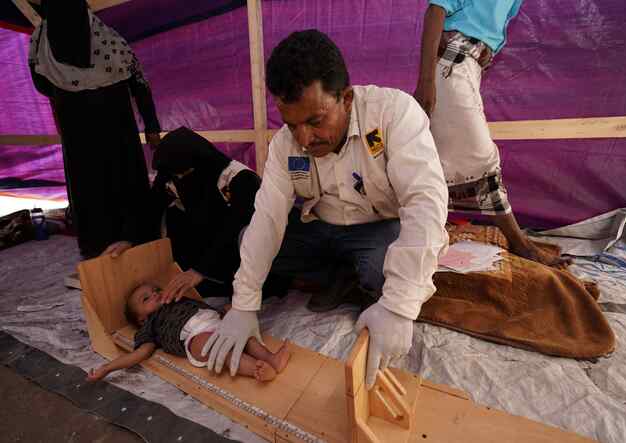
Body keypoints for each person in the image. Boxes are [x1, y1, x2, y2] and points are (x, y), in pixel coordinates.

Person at [201, 30, 449, 389]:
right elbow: (267, 219)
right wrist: (243, 304)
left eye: (316, 121)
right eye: (291, 124)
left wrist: (399, 306)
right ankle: (342, 274)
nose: (304, 138)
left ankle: (355, 278)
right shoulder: (286, 145)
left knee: (387, 275)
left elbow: (425, 201)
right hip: (323, 230)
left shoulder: (392, 115)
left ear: (346, 98)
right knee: (247, 240)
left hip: (377, 228)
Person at [414, 0, 571, 268]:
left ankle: (403, 234)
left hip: (468, 67)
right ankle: (521, 244)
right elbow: (436, 10)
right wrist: (426, 84)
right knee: (482, 159)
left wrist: (486, 49)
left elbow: (486, 22)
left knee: (432, 163)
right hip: (452, 65)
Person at [28, 0, 161, 259]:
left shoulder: (110, 44)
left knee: (124, 185)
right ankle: (98, 255)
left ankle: (138, 245)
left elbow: (139, 84)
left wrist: (152, 125)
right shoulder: (42, 46)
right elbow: (42, 85)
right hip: (80, 140)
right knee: (90, 192)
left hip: (117, 135)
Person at [104, 127, 289, 300]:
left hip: (235, 250)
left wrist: (201, 271)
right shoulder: (173, 172)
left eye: (185, 173)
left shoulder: (239, 179)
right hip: (203, 245)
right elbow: (151, 204)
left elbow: (234, 229)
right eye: (176, 176)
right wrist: (129, 238)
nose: (180, 179)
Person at [87, 284, 290, 383]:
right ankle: (256, 369)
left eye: (156, 289)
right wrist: (107, 368)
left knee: (243, 334)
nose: (156, 294)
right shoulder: (151, 325)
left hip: (217, 322)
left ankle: (271, 358)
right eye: (146, 298)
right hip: (195, 338)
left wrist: (229, 311)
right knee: (221, 349)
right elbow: (139, 353)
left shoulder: (178, 298)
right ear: (142, 319)